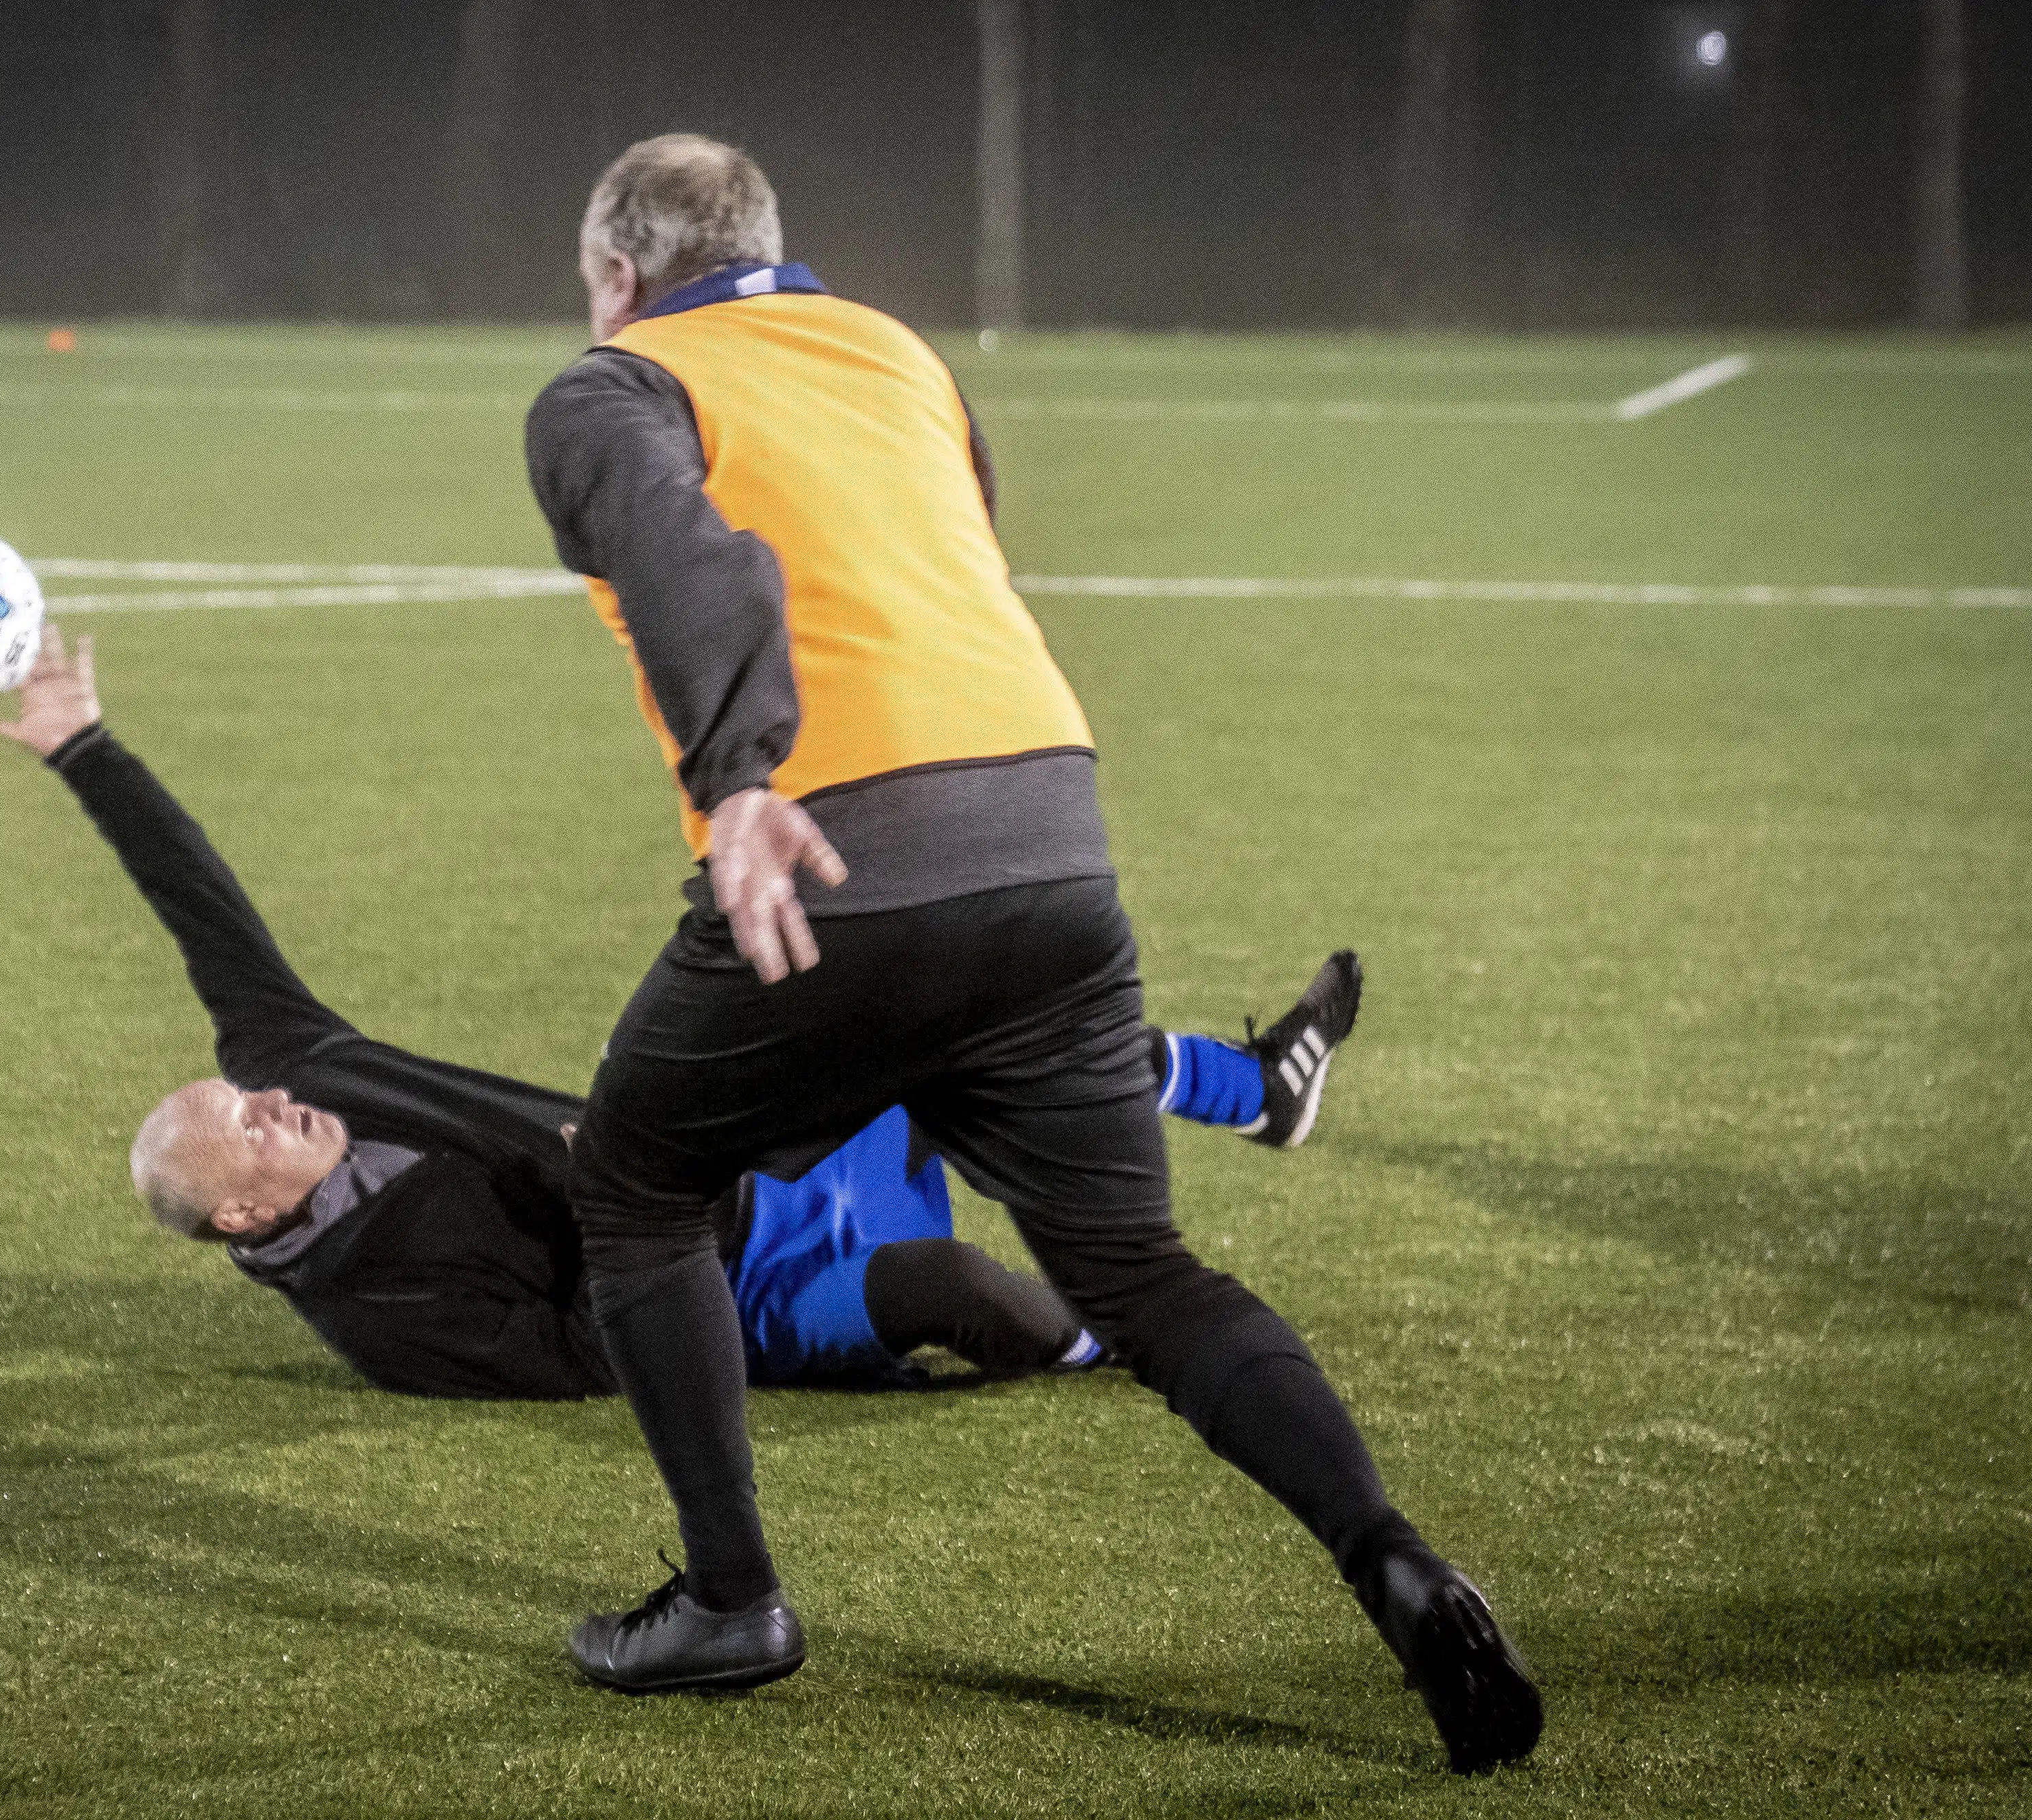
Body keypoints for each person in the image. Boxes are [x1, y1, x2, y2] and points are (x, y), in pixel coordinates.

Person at [523, 134, 1538, 1773]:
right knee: (1142, 1280)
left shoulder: (608, 385)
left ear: (619, 276)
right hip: (1053, 842)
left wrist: (736, 784)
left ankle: (731, 1599)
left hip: (834, 851)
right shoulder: (900, 354)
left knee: (633, 1185)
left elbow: (694, 552)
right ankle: (1393, 1561)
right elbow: (956, 549)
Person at [0, 627, 1352, 1401]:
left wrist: (83, 747)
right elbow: (580, 1353)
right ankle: (1113, 1336)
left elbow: (194, 902)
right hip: (737, 1290)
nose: (267, 1102)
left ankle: (1253, 1089)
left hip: (749, 1169)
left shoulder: (295, 1057)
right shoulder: (378, 1315)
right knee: (942, 1285)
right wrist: (624, 1203)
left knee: (938, 1011)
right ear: (238, 1216)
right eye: (246, 1130)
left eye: (243, 1093)